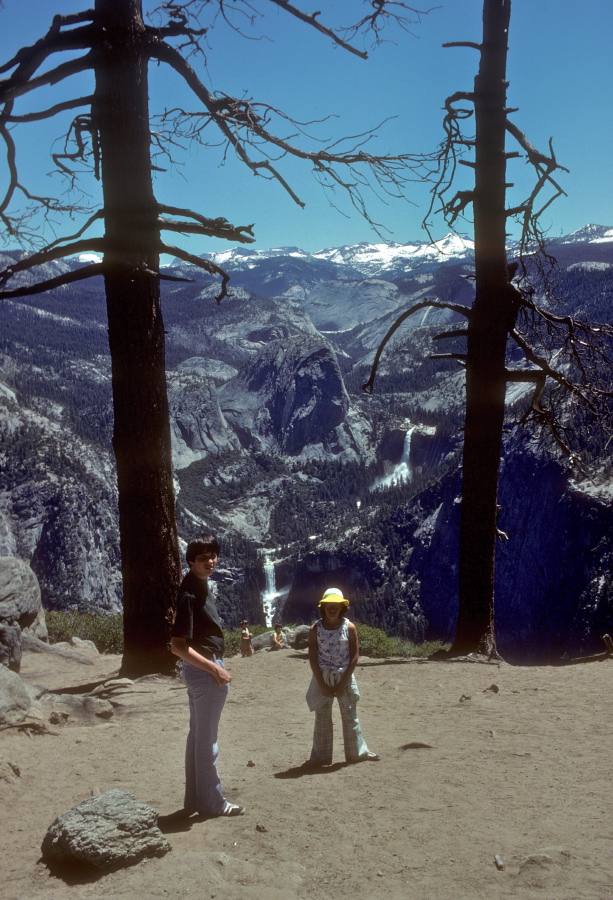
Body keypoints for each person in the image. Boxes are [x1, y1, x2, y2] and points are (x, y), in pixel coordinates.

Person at [170, 534, 245, 817]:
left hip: (201, 670)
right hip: (205, 672)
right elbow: (177, 647)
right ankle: (213, 804)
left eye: (213, 556)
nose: (210, 562)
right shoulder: (190, 593)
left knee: (198, 737)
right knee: (207, 741)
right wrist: (215, 669)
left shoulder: (197, 583)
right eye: (203, 558)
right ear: (191, 561)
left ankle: (196, 800)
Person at [305, 587, 380, 767]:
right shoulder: (315, 628)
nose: (332, 609)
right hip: (322, 675)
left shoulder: (350, 627)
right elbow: (313, 657)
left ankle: (357, 753)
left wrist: (343, 683)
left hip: (344, 674)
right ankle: (320, 757)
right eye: (329, 605)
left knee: (349, 714)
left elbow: (354, 656)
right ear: (323, 607)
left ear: (342, 608)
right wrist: (322, 684)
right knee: (322, 717)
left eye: (336, 606)